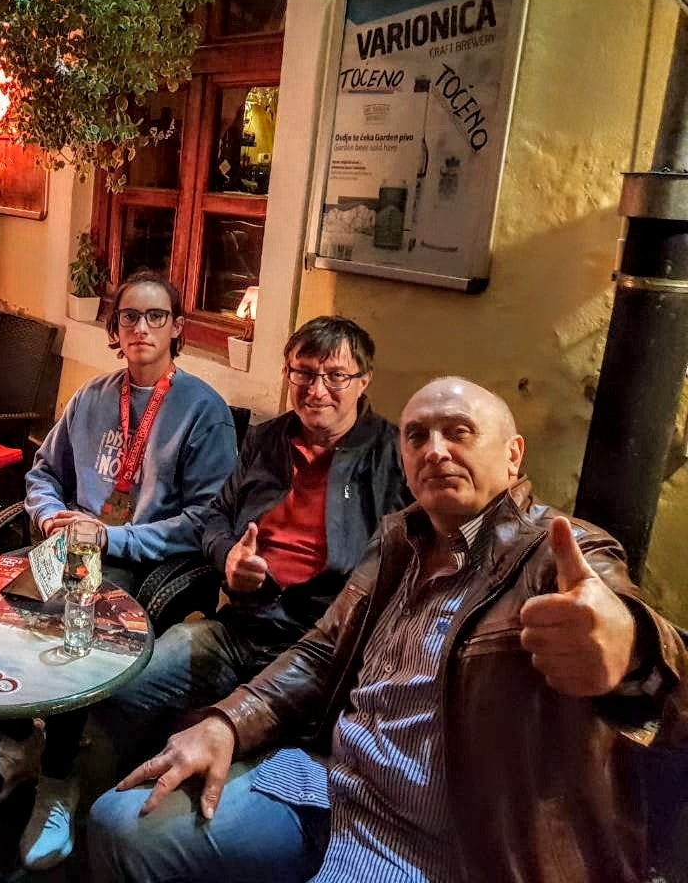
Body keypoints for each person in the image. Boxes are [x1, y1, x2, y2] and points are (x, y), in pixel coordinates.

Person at [89, 376, 688, 883]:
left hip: (445, 843)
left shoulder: (559, 554)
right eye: (417, 436)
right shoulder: (401, 537)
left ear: (513, 456)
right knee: (119, 825)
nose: (435, 450)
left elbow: (655, 667)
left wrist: (630, 650)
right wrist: (228, 721)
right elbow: (322, 651)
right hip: (333, 786)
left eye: (459, 432)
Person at [0, 271, 238, 871]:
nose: (141, 327)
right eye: (129, 316)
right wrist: (50, 515)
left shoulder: (203, 411)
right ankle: (18, 742)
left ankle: (59, 782)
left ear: (177, 328)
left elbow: (206, 521)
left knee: (72, 624)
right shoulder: (91, 396)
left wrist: (112, 535)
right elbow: (42, 472)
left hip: (142, 558)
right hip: (72, 545)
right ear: (116, 328)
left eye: (156, 316)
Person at [94, 315, 408, 766]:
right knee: (120, 685)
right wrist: (228, 559)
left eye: (336, 376)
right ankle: (101, 790)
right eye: (303, 373)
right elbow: (215, 517)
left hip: (318, 648)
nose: (317, 390)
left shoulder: (393, 458)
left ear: (364, 380)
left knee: (236, 752)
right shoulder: (266, 440)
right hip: (240, 627)